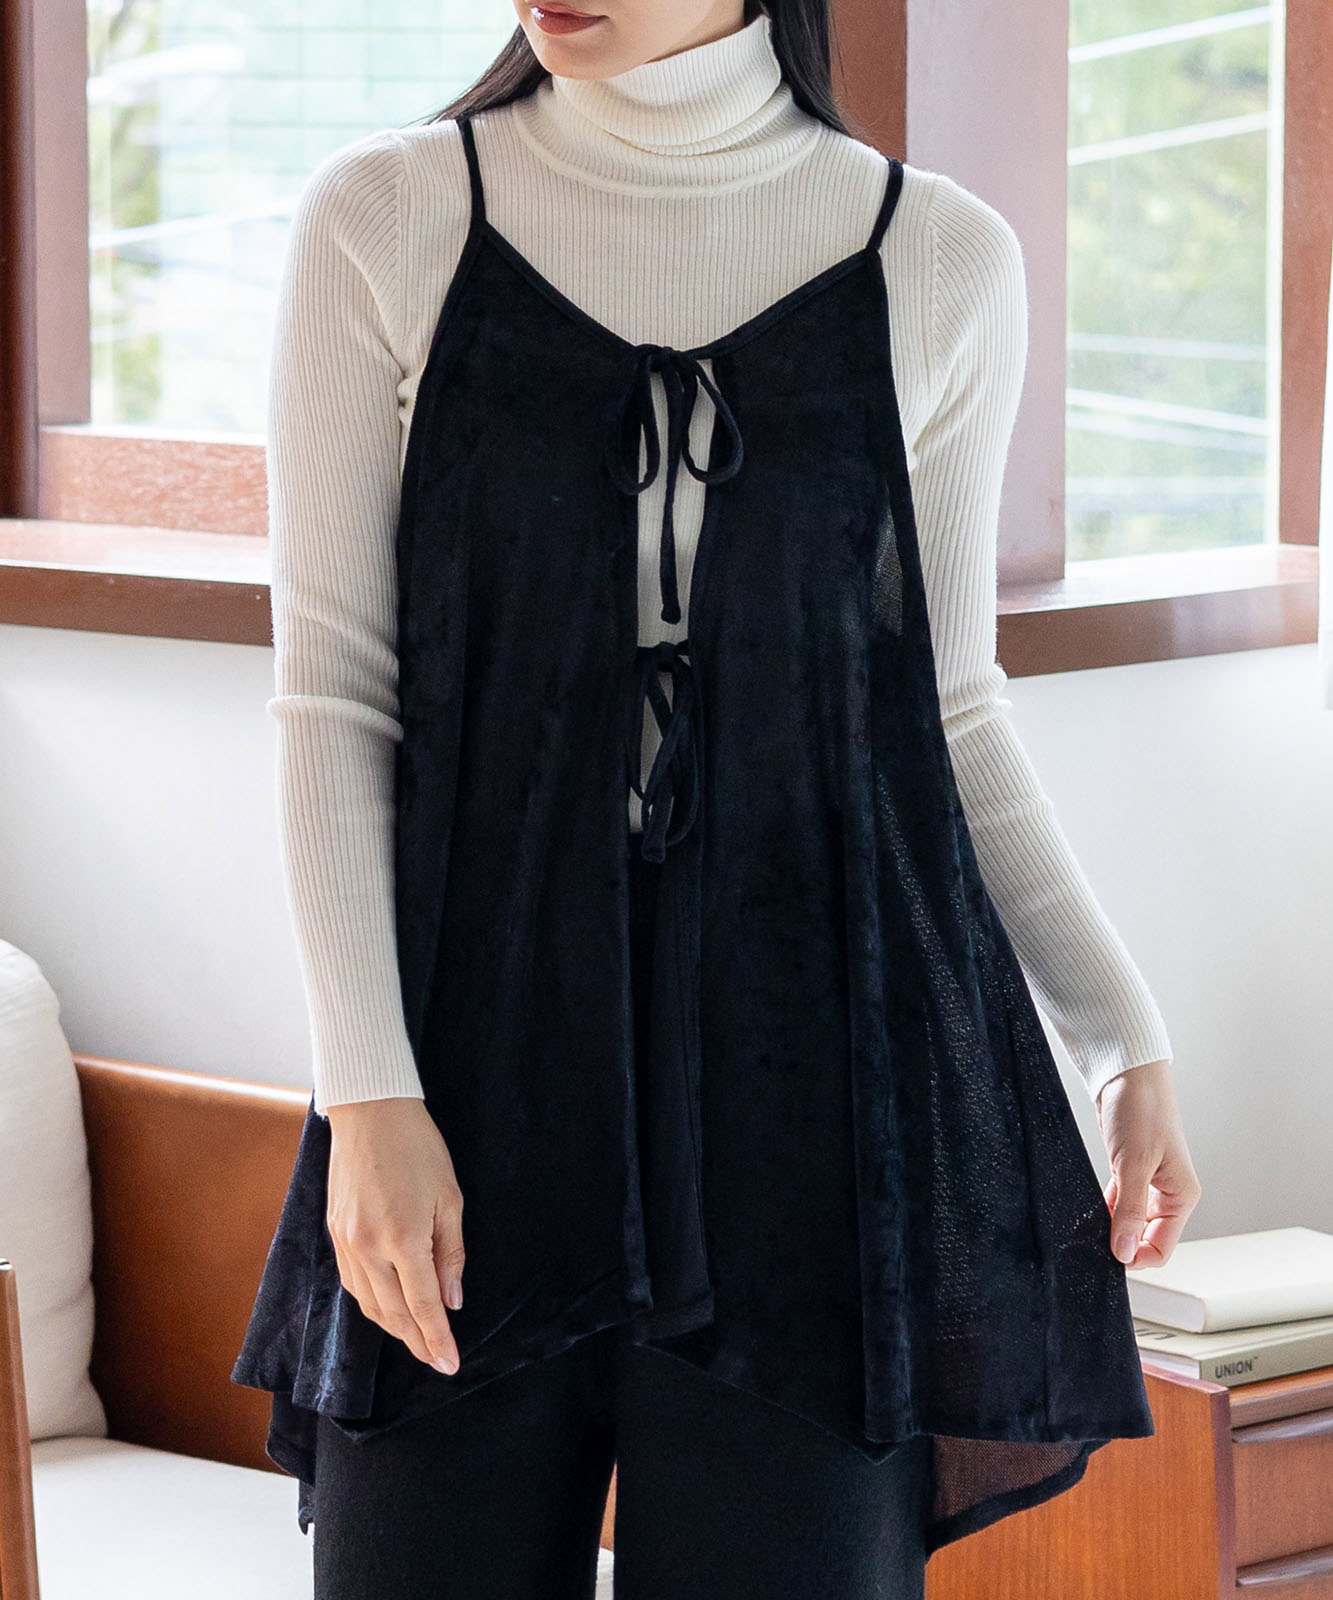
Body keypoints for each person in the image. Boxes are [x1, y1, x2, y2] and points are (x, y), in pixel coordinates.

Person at [232, 1, 1204, 1595]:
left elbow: (944, 707)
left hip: (817, 1104)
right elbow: (335, 692)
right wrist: (369, 1100)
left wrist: (1119, 1033)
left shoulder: (933, 255)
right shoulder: (391, 213)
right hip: (469, 1074)